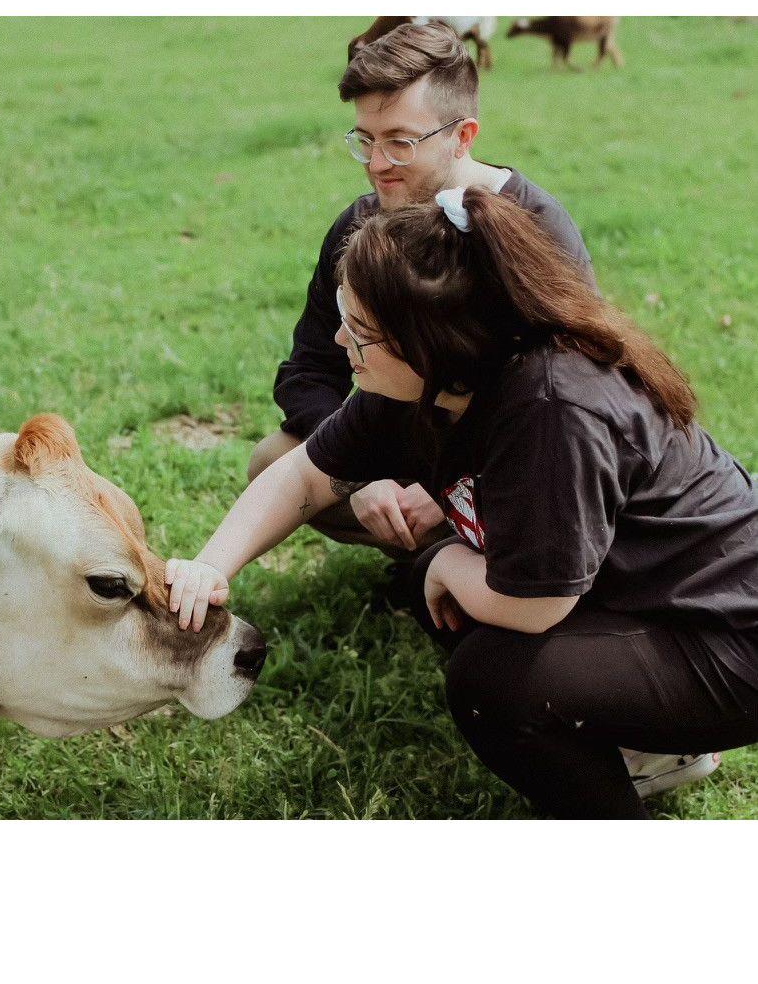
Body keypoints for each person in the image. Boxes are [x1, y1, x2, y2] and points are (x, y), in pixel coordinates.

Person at [166, 187, 758, 819]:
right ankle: (638, 745)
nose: (339, 340)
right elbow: (301, 479)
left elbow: (535, 606)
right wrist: (210, 567)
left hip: (728, 640)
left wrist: (451, 564)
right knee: (439, 590)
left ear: (430, 341)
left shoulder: (552, 410)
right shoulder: (416, 388)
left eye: (361, 331)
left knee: (494, 681)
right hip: (640, 603)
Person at [257, 20, 593, 556]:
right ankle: (435, 560)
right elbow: (309, 369)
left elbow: (572, 402)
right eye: (365, 140)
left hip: (509, 462)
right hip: (397, 445)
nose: (376, 164)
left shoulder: (535, 229)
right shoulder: (358, 226)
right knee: (273, 458)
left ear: (463, 136)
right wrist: (360, 478)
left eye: (400, 143)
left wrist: (454, 488)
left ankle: (475, 565)